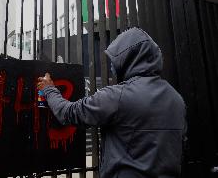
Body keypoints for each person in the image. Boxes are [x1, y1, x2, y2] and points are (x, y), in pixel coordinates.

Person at [38, 27, 186, 178]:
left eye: (115, 60)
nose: (112, 66)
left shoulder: (117, 96)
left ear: (127, 59)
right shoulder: (176, 98)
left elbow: (69, 113)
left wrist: (49, 89)